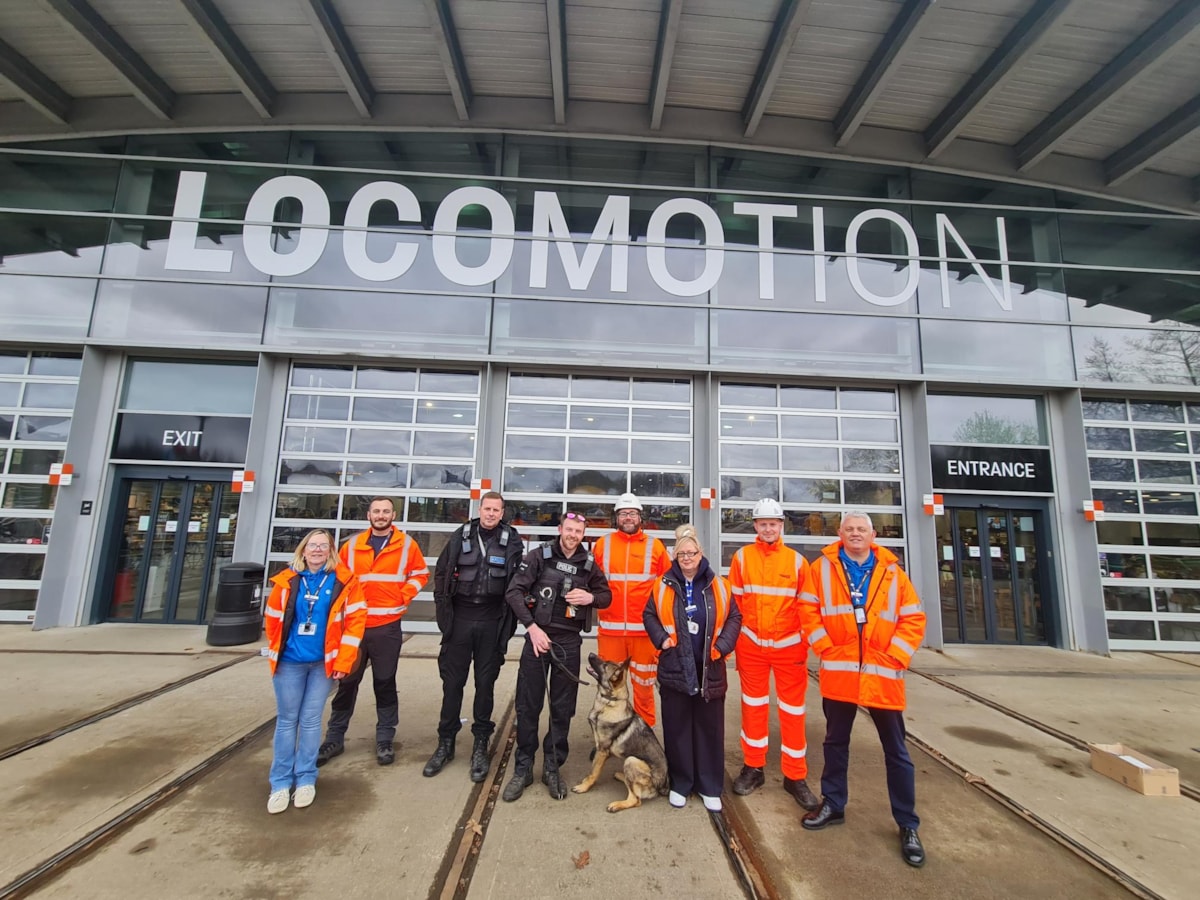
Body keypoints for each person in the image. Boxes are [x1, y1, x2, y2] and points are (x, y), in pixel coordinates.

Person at [798, 511, 928, 868]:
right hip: (840, 674)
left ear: (873, 534)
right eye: (850, 529)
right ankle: (833, 805)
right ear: (840, 533)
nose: (856, 534)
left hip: (882, 675)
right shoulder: (821, 569)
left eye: (862, 529)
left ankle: (908, 824)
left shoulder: (892, 573)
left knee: (897, 752)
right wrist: (825, 647)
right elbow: (806, 610)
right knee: (835, 743)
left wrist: (896, 657)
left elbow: (913, 618)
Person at [502, 511, 612, 802]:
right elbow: (514, 592)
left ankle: (552, 767)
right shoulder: (539, 556)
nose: (573, 535)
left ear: (583, 535)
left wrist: (591, 598)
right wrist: (532, 627)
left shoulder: (588, 565)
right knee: (528, 706)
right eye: (569, 529)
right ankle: (523, 768)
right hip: (538, 639)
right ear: (560, 529)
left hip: (568, 642)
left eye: (579, 531)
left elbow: (606, 596)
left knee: (562, 709)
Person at [317, 497, 429, 767]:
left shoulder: (406, 544)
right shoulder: (352, 544)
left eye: (386, 511)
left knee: (385, 682)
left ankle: (385, 739)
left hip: (386, 627)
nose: (381, 515)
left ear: (393, 515)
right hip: (354, 628)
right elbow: (337, 578)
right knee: (346, 684)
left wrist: (402, 596)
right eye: (377, 511)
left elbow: (421, 573)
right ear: (368, 515)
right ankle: (334, 737)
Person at [263, 529, 367, 814]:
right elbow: (272, 621)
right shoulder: (286, 581)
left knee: (309, 721)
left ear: (331, 551)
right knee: (286, 721)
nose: (318, 550)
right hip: (289, 663)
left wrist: (344, 662)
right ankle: (280, 783)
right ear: (303, 550)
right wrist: (278, 651)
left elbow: (355, 624)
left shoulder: (344, 582)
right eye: (313, 545)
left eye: (323, 546)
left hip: (323, 664)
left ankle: (306, 778)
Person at [425, 490, 524, 782]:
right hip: (461, 620)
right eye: (487, 508)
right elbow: (442, 574)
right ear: (480, 508)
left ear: (503, 512)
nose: (491, 513)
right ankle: (446, 743)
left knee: (485, 685)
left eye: (497, 509)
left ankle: (481, 742)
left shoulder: (513, 540)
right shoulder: (462, 534)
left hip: (492, 621)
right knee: (452, 683)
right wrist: (445, 618)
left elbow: (519, 580)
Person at [728, 497, 820, 810]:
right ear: (755, 525)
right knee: (753, 708)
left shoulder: (797, 562)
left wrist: (804, 641)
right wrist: (736, 642)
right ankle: (754, 768)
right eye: (763, 523)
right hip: (752, 648)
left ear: (782, 525)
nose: (768, 528)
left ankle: (795, 776)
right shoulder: (742, 558)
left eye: (774, 523)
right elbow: (735, 606)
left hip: (789, 650)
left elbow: (808, 608)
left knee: (793, 713)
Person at [643, 525, 741, 812]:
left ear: (701, 554)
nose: (687, 557)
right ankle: (681, 783)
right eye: (682, 553)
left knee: (709, 728)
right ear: (675, 556)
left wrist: (723, 646)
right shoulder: (662, 584)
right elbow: (649, 615)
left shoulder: (719, 585)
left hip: (709, 667)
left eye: (692, 552)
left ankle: (710, 785)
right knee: (677, 728)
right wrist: (661, 640)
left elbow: (735, 616)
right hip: (675, 667)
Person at [592, 492, 671, 727]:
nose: (628, 517)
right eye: (624, 513)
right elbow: (591, 583)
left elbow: (668, 588)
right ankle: (610, 735)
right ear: (616, 517)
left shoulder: (655, 547)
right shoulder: (602, 545)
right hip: (611, 633)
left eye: (632, 513)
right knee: (609, 689)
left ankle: (644, 736)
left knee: (644, 689)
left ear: (640, 517)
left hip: (644, 634)